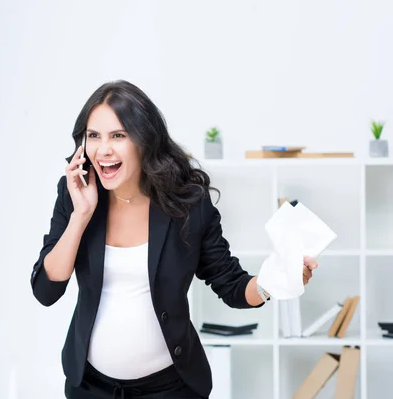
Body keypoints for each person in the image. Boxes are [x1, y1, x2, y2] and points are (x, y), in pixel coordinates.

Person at [30, 80, 318, 399]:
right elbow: (46, 290)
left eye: (118, 135)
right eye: (94, 135)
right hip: (90, 387)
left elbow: (232, 285)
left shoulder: (188, 203)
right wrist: (81, 215)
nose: (103, 149)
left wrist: (273, 282)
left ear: (143, 140)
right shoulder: (75, 195)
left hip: (170, 389)